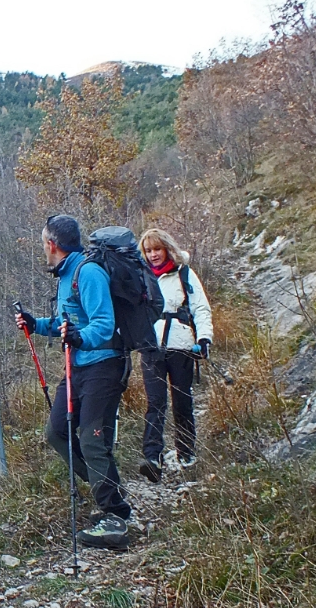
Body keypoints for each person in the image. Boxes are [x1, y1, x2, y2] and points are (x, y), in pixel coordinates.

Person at [15, 215, 133, 552]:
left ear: (52, 245)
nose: (43, 250)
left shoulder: (89, 272)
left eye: (43, 245)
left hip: (104, 366)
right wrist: (37, 324)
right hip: (78, 367)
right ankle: (106, 486)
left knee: (93, 441)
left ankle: (115, 515)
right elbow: (68, 323)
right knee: (56, 433)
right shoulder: (67, 275)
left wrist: (80, 337)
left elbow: (103, 325)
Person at [137, 229, 214, 482]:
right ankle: (152, 457)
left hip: (181, 346)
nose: (153, 255)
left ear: (167, 248)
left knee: (182, 401)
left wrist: (204, 338)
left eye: (156, 249)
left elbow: (200, 308)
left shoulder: (184, 273)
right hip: (151, 347)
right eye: (148, 251)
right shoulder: (141, 276)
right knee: (155, 403)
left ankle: (186, 453)